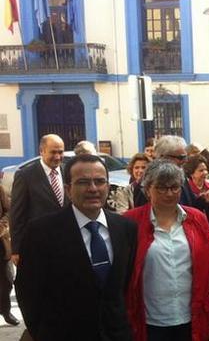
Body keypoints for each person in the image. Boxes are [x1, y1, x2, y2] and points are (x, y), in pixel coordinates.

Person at [15, 153, 138, 340]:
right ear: (68, 189)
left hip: (116, 334)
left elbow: (123, 284)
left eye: (99, 181)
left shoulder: (126, 228)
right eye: (83, 182)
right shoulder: (41, 232)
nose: (93, 189)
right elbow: (28, 293)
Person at [123, 160, 209, 341]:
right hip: (150, 321)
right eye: (162, 188)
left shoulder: (197, 218)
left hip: (191, 318)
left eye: (175, 187)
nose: (169, 193)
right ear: (148, 189)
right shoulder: (130, 222)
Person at [10, 134, 67, 265]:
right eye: (53, 152)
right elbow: (17, 214)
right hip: (37, 244)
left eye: (60, 152)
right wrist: (16, 249)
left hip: (66, 242)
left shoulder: (68, 172)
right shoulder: (25, 176)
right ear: (41, 151)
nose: (58, 157)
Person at [0, 185, 18, 326]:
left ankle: (5, 311)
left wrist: (3, 224)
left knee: (6, 280)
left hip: (1, 243)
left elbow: (8, 210)